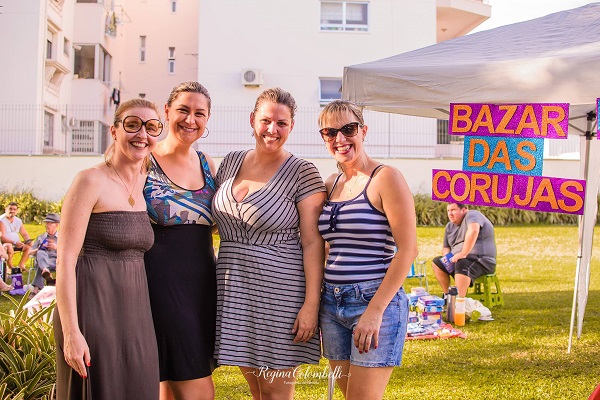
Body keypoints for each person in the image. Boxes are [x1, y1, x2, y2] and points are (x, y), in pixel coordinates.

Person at [212, 87, 326, 399]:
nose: (272, 130)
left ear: (291, 126)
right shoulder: (231, 162)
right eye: (265, 120)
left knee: (276, 391)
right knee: (255, 388)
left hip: (281, 297)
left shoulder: (302, 172)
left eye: (282, 123)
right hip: (234, 291)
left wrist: (311, 305)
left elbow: (313, 243)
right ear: (252, 120)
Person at [54, 98, 161, 399]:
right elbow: (64, 260)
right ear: (114, 131)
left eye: (151, 127)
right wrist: (72, 332)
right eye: (132, 124)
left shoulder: (144, 182)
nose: (142, 134)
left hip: (136, 317)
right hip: (91, 311)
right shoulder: (90, 180)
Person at [317, 100, 418, 399]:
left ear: (363, 131)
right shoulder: (331, 183)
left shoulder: (386, 177)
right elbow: (325, 248)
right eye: (330, 132)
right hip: (332, 306)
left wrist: (374, 312)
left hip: (373, 301)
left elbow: (408, 250)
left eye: (348, 129)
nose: (340, 139)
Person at [143, 81, 218, 400]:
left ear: (207, 119)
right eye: (183, 110)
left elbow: (214, 223)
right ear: (166, 111)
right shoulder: (144, 161)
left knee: (170, 380)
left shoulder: (208, 164)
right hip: (161, 282)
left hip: (202, 281)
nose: (191, 120)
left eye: (199, 113)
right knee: (197, 385)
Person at [432, 202, 497, 298]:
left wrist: (463, 253)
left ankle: (459, 301)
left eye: (453, 210)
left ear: (464, 209)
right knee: (437, 262)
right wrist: (446, 259)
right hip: (458, 259)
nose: (450, 213)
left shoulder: (472, 215)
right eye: (448, 211)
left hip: (482, 260)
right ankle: (448, 295)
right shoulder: (449, 227)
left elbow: (474, 230)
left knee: (462, 263)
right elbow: (446, 247)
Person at [28, 213, 60, 294]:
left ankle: (35, 290)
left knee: (41, 265)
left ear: (56, 225)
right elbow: (29, 253)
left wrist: (56, 248)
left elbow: (68, 252)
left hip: (55, 262)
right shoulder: (41, 237)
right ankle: (45, 270)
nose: (47, 225)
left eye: (50, 223)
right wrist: (37, 249)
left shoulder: (61, 237)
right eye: (46, 223)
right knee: (41, 252)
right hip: (41, 260)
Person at [0, 202, 33, 271]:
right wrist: (14, 242)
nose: (12, 211)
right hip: (4, 244)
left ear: (17, 211)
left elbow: (24, 234)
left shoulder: (18, 221)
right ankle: (10, 267)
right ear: (6, 209)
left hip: (16, 244)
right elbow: (2, 238)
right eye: (10, 209)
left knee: (28, 247)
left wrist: (28, 241)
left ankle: (21, 265)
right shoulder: (1, 220)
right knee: (9, 247)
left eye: (14, 209)